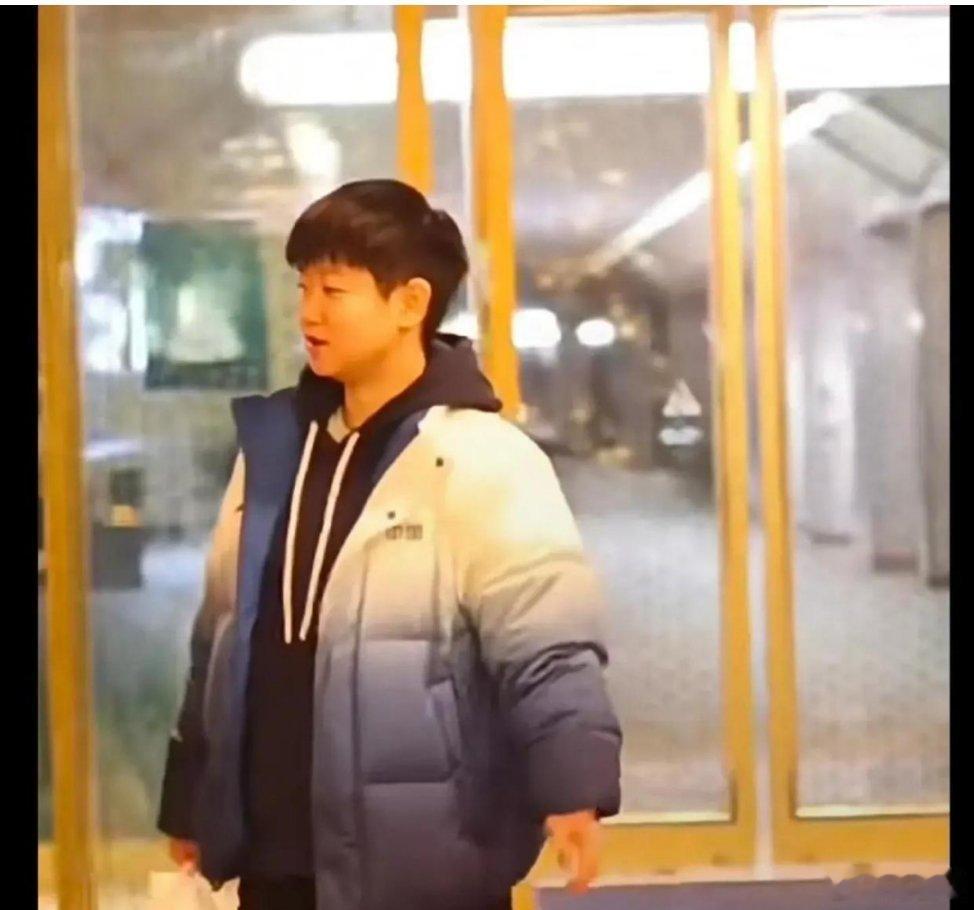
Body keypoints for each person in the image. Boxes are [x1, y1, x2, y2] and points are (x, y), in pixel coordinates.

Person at [157, 179, 622, 910]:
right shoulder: (273, 453)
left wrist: (573, 786)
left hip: (427, 864)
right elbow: (218, 638)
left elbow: (547, 641)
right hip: (275, 863)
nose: (308, 312)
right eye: (303, 287)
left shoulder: (479, 456)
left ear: (410, 303)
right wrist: (192, 799)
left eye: (333, 290)